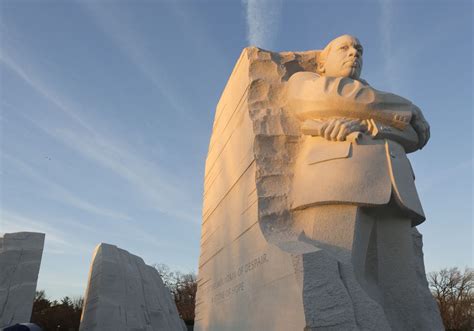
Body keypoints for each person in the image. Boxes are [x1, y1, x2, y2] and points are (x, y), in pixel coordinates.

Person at [286, 35, 439, 330]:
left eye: (359, 49)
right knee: (338, 277)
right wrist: (406, 108)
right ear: (322, 62)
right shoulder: (306, 81)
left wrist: (373, 125)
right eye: (343, 48)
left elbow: (417, 135)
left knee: (402, 290)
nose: (353, 53)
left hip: (395, 189)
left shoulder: (371, 98)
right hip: (338, 181)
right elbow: (328, 98)